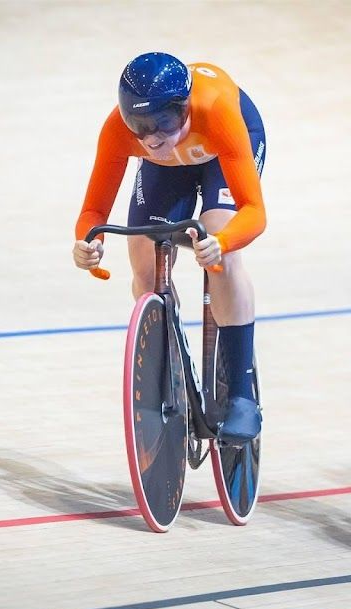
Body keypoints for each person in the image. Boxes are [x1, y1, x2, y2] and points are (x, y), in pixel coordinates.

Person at [71, 52, 266, 442]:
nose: (153, 137)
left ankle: (243, 396)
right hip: (167, 169)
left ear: (185, 107)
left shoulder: (216, 110)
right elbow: (93, 210)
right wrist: (87, 243)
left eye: (164, 122)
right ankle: (171, 367)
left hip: (221, 152)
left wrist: (223, 242)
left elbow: (254, 211)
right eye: (139, 126)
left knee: (220, 253)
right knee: (144, 266)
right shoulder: (119, 129)